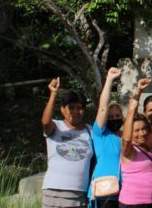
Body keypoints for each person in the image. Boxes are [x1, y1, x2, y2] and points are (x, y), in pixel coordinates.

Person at [41, 78, 94, 208]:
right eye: (71, 107)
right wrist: (53, 94)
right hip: (53, 192)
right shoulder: (56, 126)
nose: (75, 111)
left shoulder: (90, 130)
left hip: (79, 194)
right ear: (63, 110)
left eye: (79, 108)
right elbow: (45, 122)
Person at [89, 68, 125, 208]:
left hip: (124, 193)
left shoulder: (126, 138)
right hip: (104, 191)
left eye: (117, 116)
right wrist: (109, 80)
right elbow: (103, 108)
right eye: (110, 117)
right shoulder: (100, 134)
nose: (114, 119)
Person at [119, 98, 152, 207]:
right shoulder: (129, 151)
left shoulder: (149, 148)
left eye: (144, 129)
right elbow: (126, 140)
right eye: (137, 130)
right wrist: (130, 112)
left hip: (151, 202)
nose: (142, 133)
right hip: (132, 204)